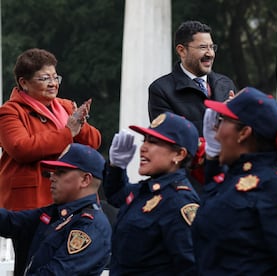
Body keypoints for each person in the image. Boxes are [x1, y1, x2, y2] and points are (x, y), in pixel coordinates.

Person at [0, 48, 101, 275]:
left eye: (55, 77)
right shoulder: (10, 112)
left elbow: (93, 143)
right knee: (31, 262)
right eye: (44, 78)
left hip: (69, 201)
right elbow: (21, 148)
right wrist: (68, 132)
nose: (53, 83)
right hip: (31, 202)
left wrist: (80, 125)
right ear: (24, 83)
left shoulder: (65, 106)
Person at [191, 87, 277, 275]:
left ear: (244, 133)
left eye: (222, 122)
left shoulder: (274, 186)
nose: (215, 134)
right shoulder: (232, 178)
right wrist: (213, 159)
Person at [104, 112, 200, 275]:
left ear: (179, 154)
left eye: (153, 142)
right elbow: (117, 195)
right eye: (144, 140)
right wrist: (116, 167)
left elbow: (190, 267)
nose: (143, 148)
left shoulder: (180, 201)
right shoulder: (147, 190)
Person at [0, 143, 111, 275]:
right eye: (53, 172)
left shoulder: (90, 226)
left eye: (60, 172)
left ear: (85, 180)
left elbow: (56, 273)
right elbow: (9, 222)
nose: (52, 178)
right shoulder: (55, 213)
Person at [148, 20, 237, 136]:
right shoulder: (161, 90)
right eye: (203, 47)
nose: (210, 54)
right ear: (182, 50)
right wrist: (216, 119)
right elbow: (170, 139)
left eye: (212, 47)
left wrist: (235, 118)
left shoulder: (226, 85)